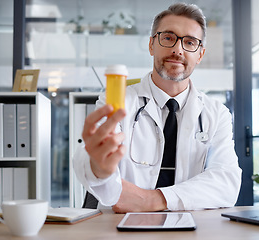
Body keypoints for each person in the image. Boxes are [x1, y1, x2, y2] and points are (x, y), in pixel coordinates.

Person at [74, 2, 242, 213]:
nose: (177, 49)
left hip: (190, 228)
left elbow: (226, 182)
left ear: (200, 54)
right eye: (168, 38)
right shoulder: (116, 101)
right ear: (152, 44)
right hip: (120, 227)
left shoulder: (217, 114)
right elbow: (91, 164)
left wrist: (151, 200)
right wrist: (99, 168)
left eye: (189, 42)